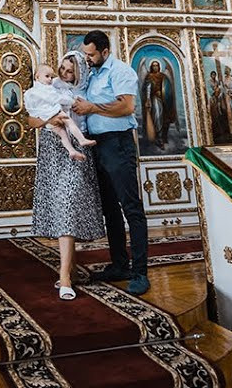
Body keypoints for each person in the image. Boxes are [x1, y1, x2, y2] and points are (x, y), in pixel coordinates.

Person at [71, 30, 150, 296]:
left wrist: (92, 107)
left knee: (131, 207)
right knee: (110, 209)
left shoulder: (121, 71)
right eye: (85, 54)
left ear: (105, 51)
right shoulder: (92, 73)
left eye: (91, 54)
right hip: (97, 145)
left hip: (118, 143)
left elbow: (126, 107)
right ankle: (119, 265)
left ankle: (140, 273)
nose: (87, 58)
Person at [26, 51, 105, 301]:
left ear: (79, 72)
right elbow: (31, 121)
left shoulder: (88, 92)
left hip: (80, 149)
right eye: (61, 68)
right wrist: (50, 118)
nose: (63, 73)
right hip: (53, 148)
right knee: (64, 207)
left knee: (71, 206)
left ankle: (69, 269)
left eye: (69, 70)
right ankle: (66, 275)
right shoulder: (49, 88)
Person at [25, 65, 96, 162]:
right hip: (51, 115)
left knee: (62, 133)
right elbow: (58, 98)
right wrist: (73, 102)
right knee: (69, 121)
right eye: (47, 76)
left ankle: (71, 151)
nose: (50, 79)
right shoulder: (46, 89)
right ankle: (81, 139)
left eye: (69, 71)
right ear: (37, 77)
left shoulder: (33, 91)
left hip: (48, 118)